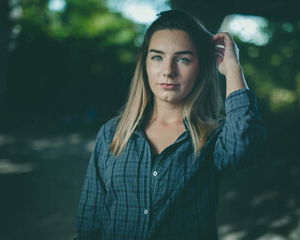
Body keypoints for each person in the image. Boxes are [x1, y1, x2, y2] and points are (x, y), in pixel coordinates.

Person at [76, 10, 267, 240]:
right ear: (144, 63)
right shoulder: (112, 133)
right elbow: (90, 224)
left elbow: (244, 150)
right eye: (157, 57)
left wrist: (233, 68)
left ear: (200, 68)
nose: (168, 71)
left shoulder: (213, 137)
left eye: (183, 59)